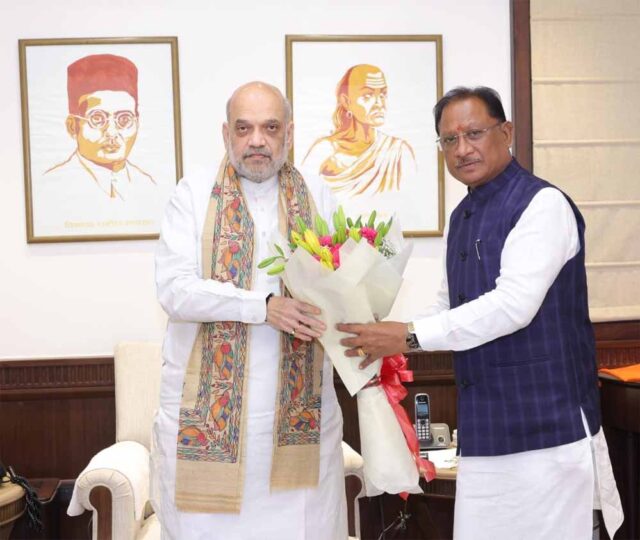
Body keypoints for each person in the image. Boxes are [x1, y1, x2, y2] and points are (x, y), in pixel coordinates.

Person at [337, 86, 623, 539]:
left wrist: (407, 335)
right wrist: (375, 338)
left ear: (506, 133)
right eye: (449, 139)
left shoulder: (542, 205)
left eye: (474, 133)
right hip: (485, 430)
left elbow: (512, 307)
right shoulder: (462, 216)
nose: (462, 149)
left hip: (547, 432)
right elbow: (448, 304)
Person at [152, 81, 347, 540]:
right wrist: (263, 306)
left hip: (299, 426)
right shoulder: (193, 193)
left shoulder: (317, 193)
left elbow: (340, 282)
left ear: (289, 133)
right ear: (226, 134)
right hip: (207, 426)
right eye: (244, 129)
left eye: (270, 128)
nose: (257, 140)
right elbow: (174, 290)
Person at [34, 54, 157, 236]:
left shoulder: (149, 185)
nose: (112, 133)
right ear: (72, 126)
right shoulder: (53, 187)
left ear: (137, 124)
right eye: (98, 119)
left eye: (124, 119)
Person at [302, 64, 415, 197]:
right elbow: (300, 199)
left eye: (383, 94)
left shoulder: (399, 150)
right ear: (346, 101)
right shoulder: (324, 150)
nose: (379, 103)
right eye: (368, 96)